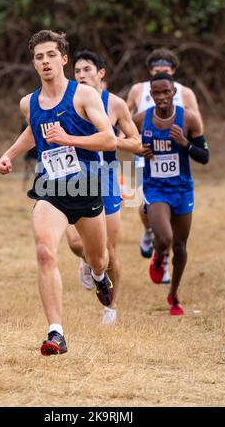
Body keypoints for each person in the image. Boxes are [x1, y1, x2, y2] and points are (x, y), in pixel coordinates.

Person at [0, 30, 117, 356]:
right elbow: (33, 133)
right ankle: (56, 332)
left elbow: (109, 140)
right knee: (45, 252)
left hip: (87, 186)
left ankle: (99, 276)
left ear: (63, 58)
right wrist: (9, 154)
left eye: (51, 55)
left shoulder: (85, 96)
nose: (45, 61)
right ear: (34, 63)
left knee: (98, 257)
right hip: (50, 188)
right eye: (39, 57)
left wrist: (71, 140)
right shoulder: (29, 103)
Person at [66, 50, 142, 325]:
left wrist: (109, 140)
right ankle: (87, 260)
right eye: (77, 71)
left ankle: (111, 307)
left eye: (87, 70)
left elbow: (136, 144)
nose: (81, 75)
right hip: (73, 178)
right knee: (75, 241)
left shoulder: (116, 104)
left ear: (101, 74)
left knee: (109, 251)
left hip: (107, 177)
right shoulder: (67, 99)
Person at [133, 72, 209, 315]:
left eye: (166, 92)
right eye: (157, 93)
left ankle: (173, 294)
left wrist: (185, 143)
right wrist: (138, 149)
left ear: (174, 92)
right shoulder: (140, 119)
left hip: (182, 188)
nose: (162, 97)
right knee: (164, 238)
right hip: (155, 188)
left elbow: (204, 157)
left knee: (181, 246)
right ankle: (158, 255)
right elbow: (122, 140)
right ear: (151, 95)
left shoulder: (189, 118)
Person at [127, 48, 203, 284]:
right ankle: (150, 232)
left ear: (173, 71)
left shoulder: (186, 93)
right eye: (155, 68)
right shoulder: (138, 90)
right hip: (146, 159)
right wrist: (135, 145)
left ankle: (165, 264)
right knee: (147, 206)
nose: (160, 70)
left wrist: (187, 143)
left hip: (176, 164)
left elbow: (197, 125)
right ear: (150, 72)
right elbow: (125, 123)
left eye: (166, 68)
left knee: (172, 229)